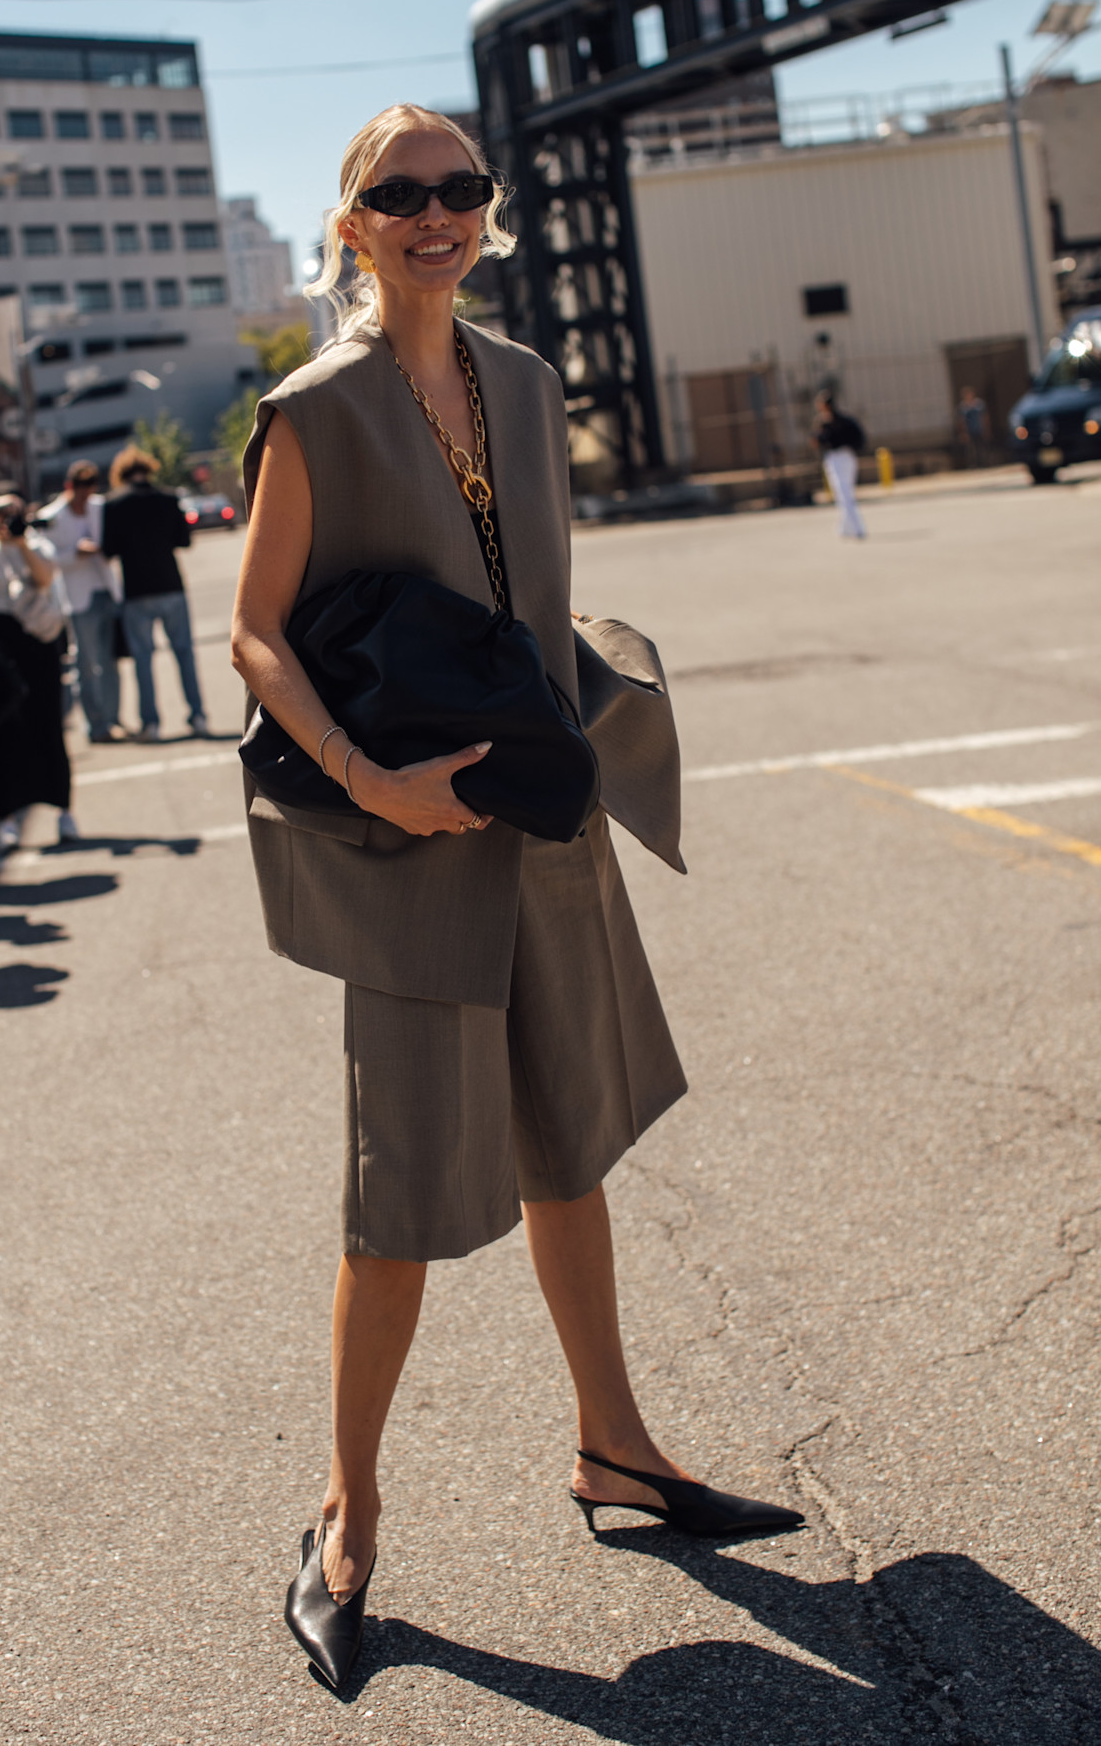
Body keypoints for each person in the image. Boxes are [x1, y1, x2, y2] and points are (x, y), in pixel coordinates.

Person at [230, 105, 802, 1691]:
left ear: (486, 214)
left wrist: (596, 689)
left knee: (568, 1143)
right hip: (409, 837)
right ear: (352, 226)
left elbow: (517, 594)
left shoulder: (531, 387)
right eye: (399, 194)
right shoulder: (316, 408)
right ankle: (345, 1515)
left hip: (545, 831)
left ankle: (614, 1449)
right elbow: (258, 635)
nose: (435, 213)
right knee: (398, 1197)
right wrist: (370, 781)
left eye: (459, 189)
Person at [0, 492, 78, 850]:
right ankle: (6, 818)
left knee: (49, 725)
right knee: (6, 731)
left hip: (39, 645)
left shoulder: (36, 544)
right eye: (3, 517)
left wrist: (21, 542)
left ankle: (64, 811)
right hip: (0, 646)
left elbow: (44, 576)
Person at [101, 447, 209, 741]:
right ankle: (197, 716)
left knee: (143, 661)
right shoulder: (169, 498)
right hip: (171, 584)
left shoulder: (113, 504)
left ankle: (151, 723)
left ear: (121, 475)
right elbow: (184, 541)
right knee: (184, 653)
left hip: (136, 589)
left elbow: (108, 549)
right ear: (149, 469)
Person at [42, 459, 124, 742]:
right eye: (81, 489)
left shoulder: (100, 507)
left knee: (110, 661)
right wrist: (77, 552)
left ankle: (113, 718)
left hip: (106, 589)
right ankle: (96, 724)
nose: (86, 495)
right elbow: (46, 559)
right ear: (70, 486)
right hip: (78, 597)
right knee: (86, 664)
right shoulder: (51, 516)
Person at [813, 391, 867, 539]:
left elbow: (819, 442)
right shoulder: (845, 420)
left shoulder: (827, 423)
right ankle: (844, 528)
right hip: (848, 457)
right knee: (845, 492)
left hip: (837, 458)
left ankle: (857, 528)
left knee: (843, 493)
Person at [957, 385, 990, 468]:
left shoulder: (979, 404)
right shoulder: (963, 406)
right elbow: (961, 421)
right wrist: (963, 433)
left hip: (979, 428)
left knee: (981, 447)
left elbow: (984, 417)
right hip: (969, 430)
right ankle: (974, 464)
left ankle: (983, 463)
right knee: (971, 449)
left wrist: (986, 429)